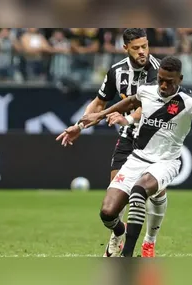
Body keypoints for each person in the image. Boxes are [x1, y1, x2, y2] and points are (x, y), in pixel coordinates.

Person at [78, 56, 192, 257]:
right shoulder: (147, 90)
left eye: (170, 82)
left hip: (166, 162)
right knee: (107, 213)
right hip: (137, 158)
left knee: (139, 191)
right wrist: (100, 114)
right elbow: (131, 101)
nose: (164, 85)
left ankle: (129, 255)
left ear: (180, 79)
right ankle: (120, 231)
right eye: (161, 80)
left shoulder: (189, 101)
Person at [56, 28, 167, 257]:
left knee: (155, 192)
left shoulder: (158, 71)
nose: (142, 52)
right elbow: (98, 104)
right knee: (111, 208)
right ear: (125, 48)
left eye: (144, 46)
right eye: (136, 48)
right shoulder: (116, 72)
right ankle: (118, 231)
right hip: (128, 139)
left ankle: (149, 242)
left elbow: (148, 107)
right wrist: (79, 126)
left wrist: (125, 118)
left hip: (156, 139)